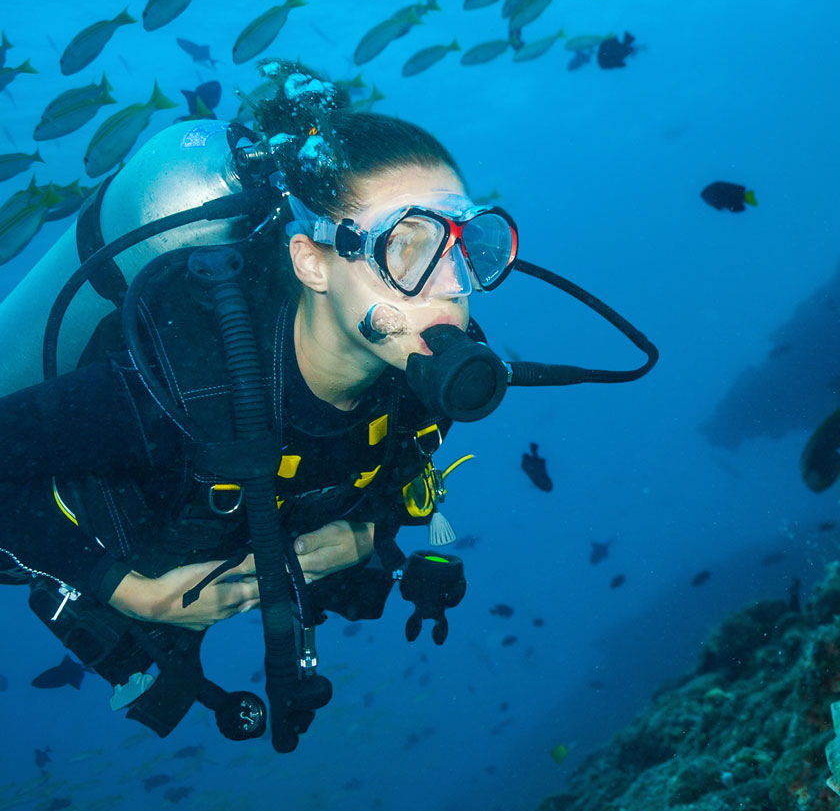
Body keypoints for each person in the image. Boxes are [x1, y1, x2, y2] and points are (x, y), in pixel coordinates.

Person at [0, 60, 516, 745]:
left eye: (467, 247)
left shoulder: (432, 373)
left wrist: (369, 534)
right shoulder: (181, 385)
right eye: (410, 246)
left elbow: (400, 481)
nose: (451, 288)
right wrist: (128, 590)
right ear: (310, 260)